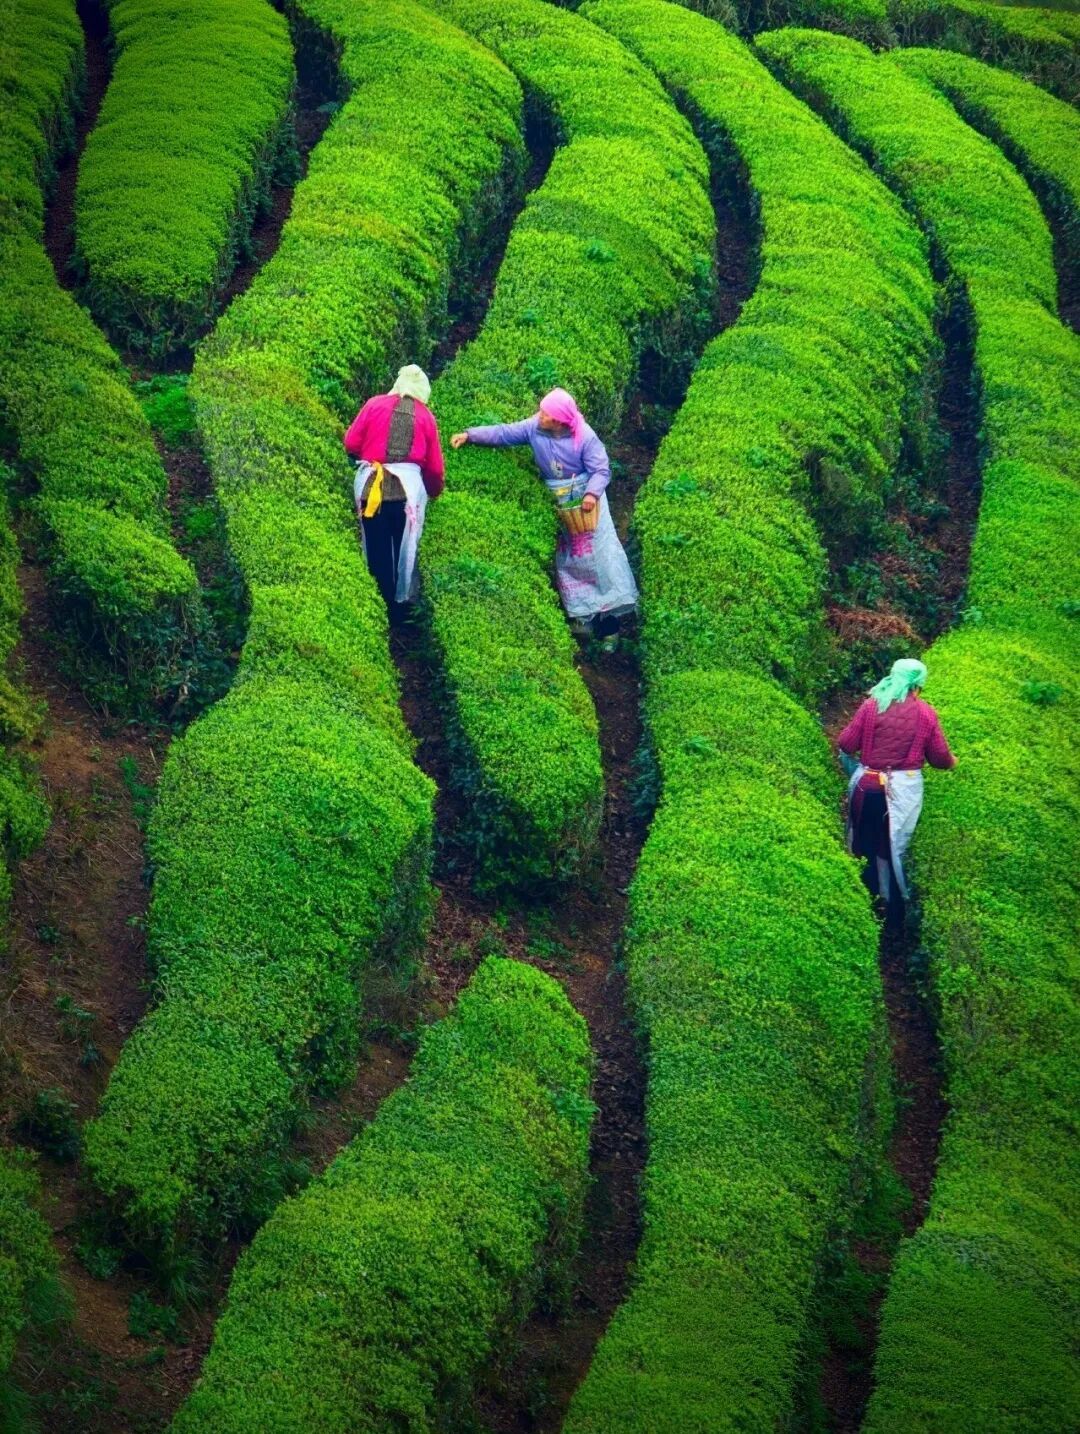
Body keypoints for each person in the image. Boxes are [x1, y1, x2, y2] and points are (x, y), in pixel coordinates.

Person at [450, 388, 638, 652]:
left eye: (547, 414)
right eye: (542, 410)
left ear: (561, 420)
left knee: (599, 562)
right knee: (570, 561)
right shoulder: (534, 428)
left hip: (587, 509)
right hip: (560, 507)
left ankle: (609, 630)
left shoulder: (584, 436)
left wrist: (592, 494)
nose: (540, 416)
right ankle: (581, 619)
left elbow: (600, 469)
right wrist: (470, 435)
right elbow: (504, 433)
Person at [837, 657, 956, 929]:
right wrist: (953, 762)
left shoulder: (871, 705)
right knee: (892, 847)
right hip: (902, 790)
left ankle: (857, 900)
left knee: (861, 842)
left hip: (866, 785)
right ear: (918, 686)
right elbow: (939, 758)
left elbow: (846, 743)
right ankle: (895, 909)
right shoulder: (926, 713)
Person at [344, 364, 444, 621]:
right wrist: (435, 492)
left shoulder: (374, 404)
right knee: (403, 548)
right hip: (405, 495)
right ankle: (401, 607)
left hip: (371, 489)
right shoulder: (425, 417)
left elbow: (351, 443)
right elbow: (434, 469)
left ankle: (379, 605)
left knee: (376, 548)